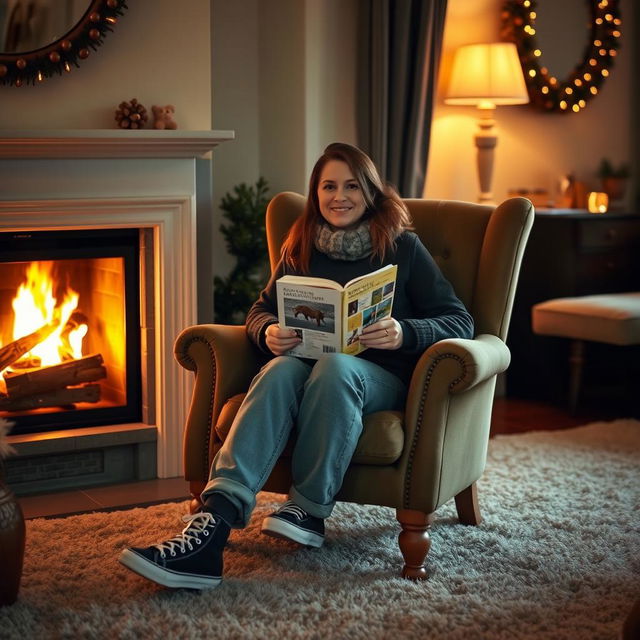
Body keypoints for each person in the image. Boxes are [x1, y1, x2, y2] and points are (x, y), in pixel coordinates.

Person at [119, 142, 474, 590]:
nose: (338, 196)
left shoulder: (403, 247)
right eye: (328, 186)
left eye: (350, 186)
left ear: (369, 193)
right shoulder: (299, 243)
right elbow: (259, 310)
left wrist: (405, 332)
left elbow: (459, 318)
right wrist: (267, 331)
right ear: (316, 193)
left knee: (336, 368)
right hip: (306, 369)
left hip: (381, 379)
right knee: (278, 369)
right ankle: (210, 529)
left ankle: (308, 508)